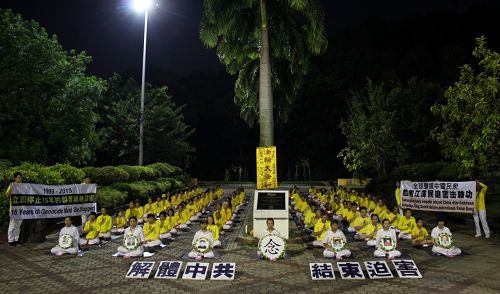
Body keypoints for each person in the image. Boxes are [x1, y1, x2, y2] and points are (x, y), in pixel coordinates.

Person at [6, 172, 23, 246]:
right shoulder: (12, 185)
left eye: (20, 177)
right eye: (18, 177)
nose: (20, 178)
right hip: (13, 208)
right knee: (12, 224)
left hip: (22, 209)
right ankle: (10, 240)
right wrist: (11, 189)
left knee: (18, 225)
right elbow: (7, 195)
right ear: (15, 178)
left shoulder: (24, 186)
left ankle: (16, 239)